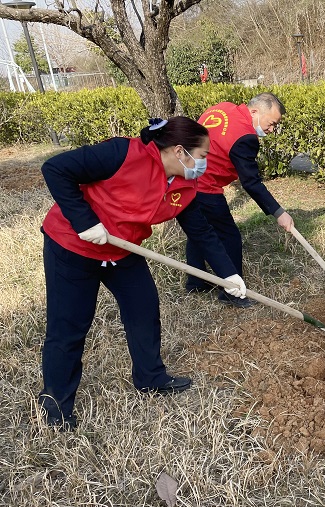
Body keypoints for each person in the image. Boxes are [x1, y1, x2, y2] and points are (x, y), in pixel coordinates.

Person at [39, 117, 248, 431]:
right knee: (68, 328)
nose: (203, 163)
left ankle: (151, 378)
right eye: (202, 156)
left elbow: (202, 233)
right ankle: (55, 407)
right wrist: (84, 221)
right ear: (180, 151)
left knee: (143, 310)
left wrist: (229, 275)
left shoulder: (185, 185)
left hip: (124, 250)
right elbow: (55, 169)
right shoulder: (122, 154)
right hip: (73, 246)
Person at [185, 93, 294, 307]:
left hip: (186, 178)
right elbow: (251, 182)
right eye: (271, 123)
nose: (272, 130)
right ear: (254, 112)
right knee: (229, 236)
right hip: (205, 185)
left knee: (199, 229)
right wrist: (279, 212)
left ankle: (196, 282)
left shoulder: (223, 107)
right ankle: (232, 293)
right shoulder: (245, 137)